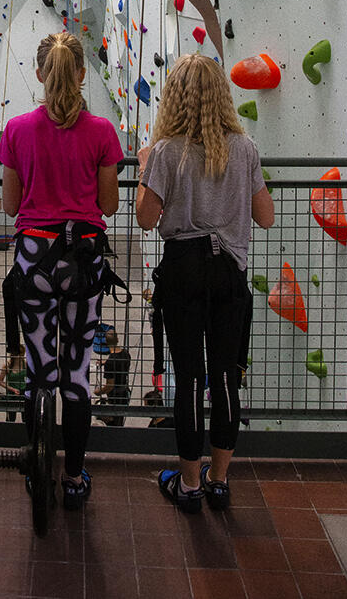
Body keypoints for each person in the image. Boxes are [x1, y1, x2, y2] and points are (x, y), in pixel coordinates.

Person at [136, 54, 274, 513]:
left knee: (190, 379)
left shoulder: (165, 152)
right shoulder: (246, 148)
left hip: (183, 272)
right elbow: (266, 217)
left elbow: (144, 218)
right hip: (229, 274)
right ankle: (219, 480)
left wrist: (144, 172)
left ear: (174, 97)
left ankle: (189, 485)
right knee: (225, 379)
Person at [0, 31, 123, 510]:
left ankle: (36, 471)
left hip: (34, 261)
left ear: (40, 73)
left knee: (38, 372)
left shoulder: (16, 130)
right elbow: (108, 205)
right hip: (83, 261)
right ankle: (74, 476)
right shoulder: (102, 132)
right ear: (82, 73)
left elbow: (10, 206)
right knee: (76, 375)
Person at [93, 328, 131, 426]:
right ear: (117, 339)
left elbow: (109, 386)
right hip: (124, 393)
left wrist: (98, 392)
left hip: (115, 396)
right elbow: (118, 360)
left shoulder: (110, 363)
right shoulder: (126, 354)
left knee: (113, 422)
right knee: (120, 419)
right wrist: (105, 362)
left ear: (105, 342)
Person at [0, 347, 27, 421]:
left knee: (25, 417)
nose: (20, 357)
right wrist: (12, 389)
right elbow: (0, 381)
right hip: (11, 393)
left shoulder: (25, 364)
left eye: (21, 355)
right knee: (11, 417)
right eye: (18, 355)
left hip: (23, 391)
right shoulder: (7, 366)